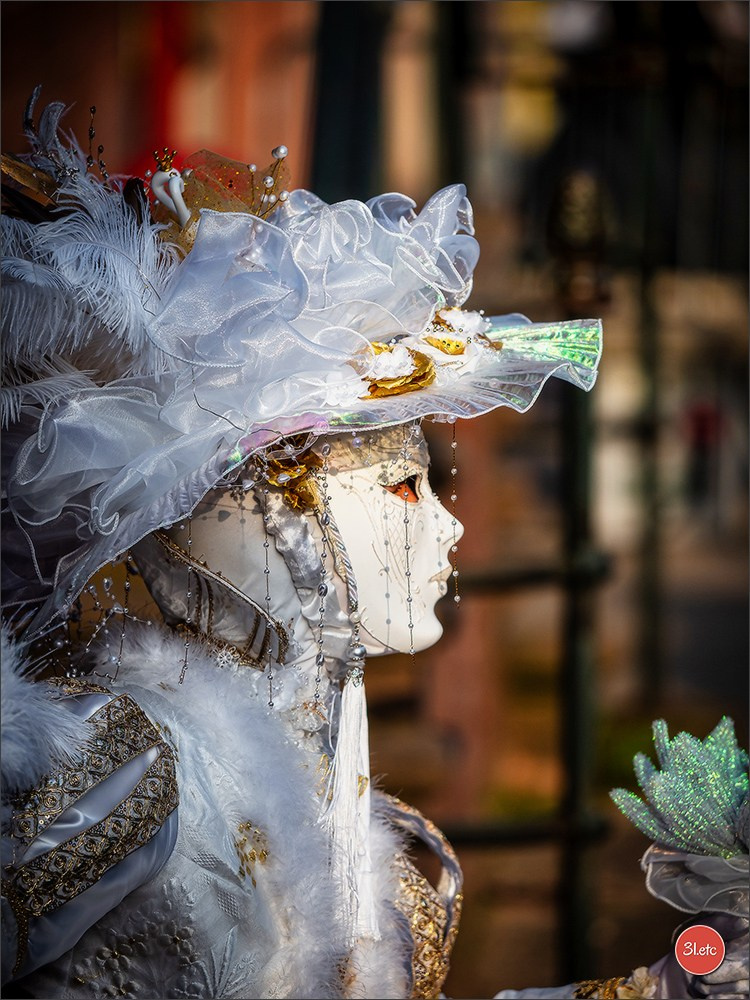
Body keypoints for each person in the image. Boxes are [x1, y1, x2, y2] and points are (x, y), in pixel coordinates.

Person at [2, 91, 744, 1000]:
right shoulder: (133, 775)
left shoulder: (350, 826)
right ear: (268, 517)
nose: (447, 523)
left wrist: (680, 983)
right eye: (404, 486)